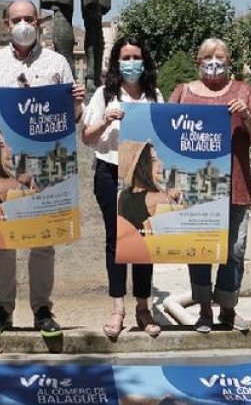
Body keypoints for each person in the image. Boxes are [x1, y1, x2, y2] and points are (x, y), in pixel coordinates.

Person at [0, 0, 85, 338]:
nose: (23, 25)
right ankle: (2, 308)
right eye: (16, 20)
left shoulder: (57, 63)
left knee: (43, 242)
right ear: (6, 25)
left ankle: (42, 309)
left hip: (43, 160)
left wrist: (76, 103)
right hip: (3, 162)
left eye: (29, 18)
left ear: (39, 23)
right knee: (2, 242)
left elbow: (72, 119)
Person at [168, 38, 251, 333]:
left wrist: (246, 115)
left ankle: (228, 308)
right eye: (208, 56)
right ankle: (204, 310)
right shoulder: (183, 92)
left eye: (220, 56)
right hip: (197, 188)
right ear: (198, 62)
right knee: (199, 249)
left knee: (234, 250)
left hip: (237, 185)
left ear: (229, 61)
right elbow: (164, 129)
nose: (214, 61)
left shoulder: (244, 91)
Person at [81, 37, 164, 338]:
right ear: (117, 62)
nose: (131, 63)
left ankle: (143, 307)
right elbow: (87, 137)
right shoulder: (104, 94)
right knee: (115, 240)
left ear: (145, 61)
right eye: (125, 57)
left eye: (136, 57)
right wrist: (106, 121)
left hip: (143, 174)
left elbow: (163, 132)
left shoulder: (154, 95)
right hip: (110, 171)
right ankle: (117, 308)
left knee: (144, 239)